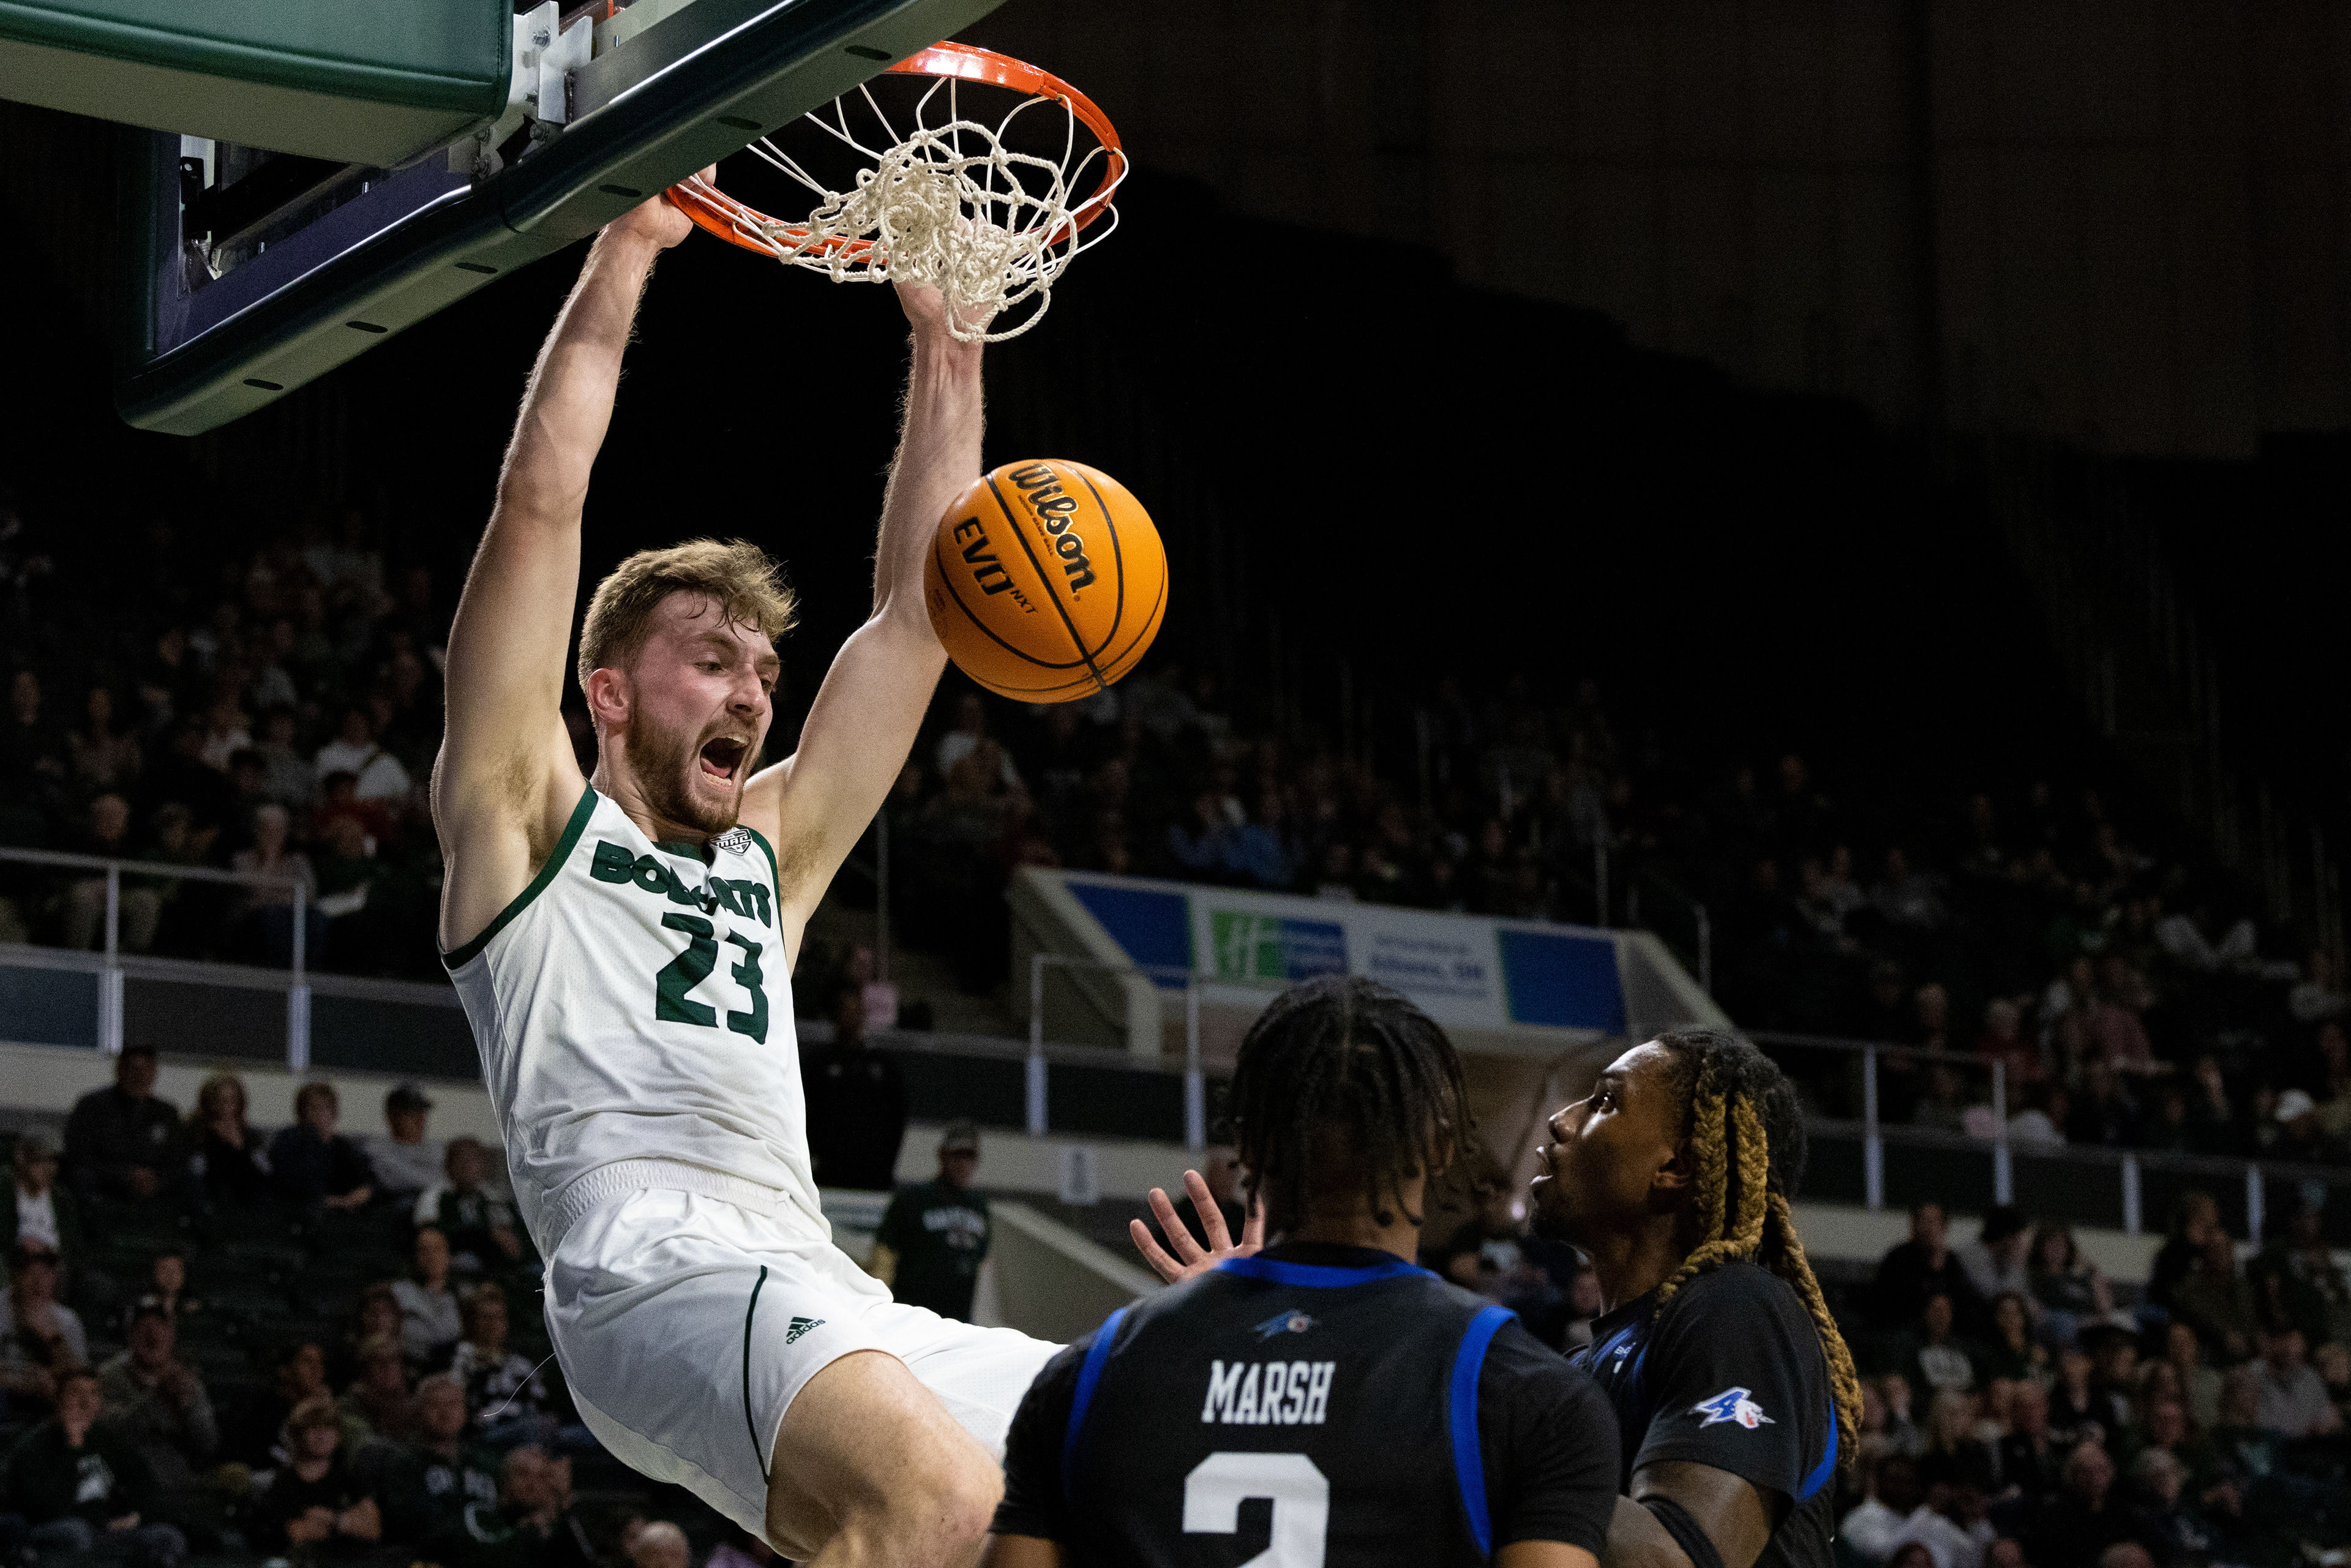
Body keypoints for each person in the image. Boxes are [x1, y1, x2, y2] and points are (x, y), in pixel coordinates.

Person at [426, 189, 1151, 1566]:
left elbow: (917, 617)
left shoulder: (771, 855)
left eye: (764, 671)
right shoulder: (526, 823)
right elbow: (540, 500)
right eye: (713, 657)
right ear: (608, 688)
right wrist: (628, 247)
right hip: (647, 1265)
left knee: (1117, 1453)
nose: (755, 691)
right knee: (935, 1498)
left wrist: (950, 348)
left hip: (806, 1269)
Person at [991, 975, 1620, 1566]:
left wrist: (1211, 1321)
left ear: (1251, 1146)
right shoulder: (1532, 1393)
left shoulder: (1084, 1377)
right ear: (1442, 1144)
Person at [1532, 1030, 1862, 1567]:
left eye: (1606, 1101)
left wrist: (1498, 1436)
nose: (1562, 1119)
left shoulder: (1736, 1305)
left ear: (1675, 1168)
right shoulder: (1582, 1367)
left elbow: (1677, 1556)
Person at [2, 1367, 186, 1568]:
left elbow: (144, 1483)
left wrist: (136, 1516)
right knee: (77, 1533)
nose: (86, 1402)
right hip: (49, 1528)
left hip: (107, 1530)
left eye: (94, 1393)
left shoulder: (104, 1439)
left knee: (167, 1537)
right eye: (76, 1392)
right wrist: (74, 1447)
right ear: (58, 1399)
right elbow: (48, 1509)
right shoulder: (33, 1447)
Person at [96, 1303, 219, 1532]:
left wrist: (187, 1407)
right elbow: (111, 1435)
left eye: (160, 1327)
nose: (152, 1334)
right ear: (131, 1336)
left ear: (171, 1335)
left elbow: (208, 1444)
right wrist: (157, 1399)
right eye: (144, 1327)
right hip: (127, 1487)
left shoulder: (185, 1381)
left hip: (181, 1485)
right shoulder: (108, 1377)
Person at [871, 1123, 991, 1322]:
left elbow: (981, 1263)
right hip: (911, 1318)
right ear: (942, 1155)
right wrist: (879, 1311)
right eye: (957, 1155)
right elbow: (884, 1256)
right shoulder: (913, 1198)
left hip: (958, 1323)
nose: (964, 1164)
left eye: (970, 1157)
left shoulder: (978, 1204)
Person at [800, 986, 910, 1190]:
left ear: (863, 1015)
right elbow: (804, 1112)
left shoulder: (883, 1065)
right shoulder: (818, 1063)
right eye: (844, 1010)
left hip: (874, 1177)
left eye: (855, 1010)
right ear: (835, 1015)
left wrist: (887, 1164)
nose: (849, 1016)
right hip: (827, 1175)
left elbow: (897, 1117)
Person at [378, 1375, 502, 1555]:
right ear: (419, 1412)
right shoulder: (402, 1466)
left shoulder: (487, 1462)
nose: (445, 1413)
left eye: (453, 1404)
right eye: (435, 1405)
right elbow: (416, 1528)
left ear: (465, 1411)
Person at [252, 1395, 383, 1556]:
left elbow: (372, 1529)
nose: (321, 1435)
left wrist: (333, 1519)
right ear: (298, 1436)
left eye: (327, 1428)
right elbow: (298, 1534)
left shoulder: (350, 1475)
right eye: (312, 1428)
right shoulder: (284, 1481)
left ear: (338, 1436)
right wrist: (350, 1522)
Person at [64, 1042, 184, 1206]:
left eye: (146, 1070)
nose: (140, 1077)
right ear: (120, 1070)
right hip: (105, 1192)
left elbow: (176, 1161)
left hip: (155, 1195)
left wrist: (156, 1180)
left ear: (154, 1073)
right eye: (134, 1069)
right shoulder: (93, 1107)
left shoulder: (166, 1113)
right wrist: (125, 1175)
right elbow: (80, 1157)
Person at [413, 1136, 525, 1275]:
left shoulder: (491, 1196)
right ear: (448, 1165)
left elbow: (506, 1227)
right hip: (450, 1267)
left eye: (473, 1160)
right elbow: (429, 1233)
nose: (466, 1166)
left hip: (491, 1268)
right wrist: (487, 1235)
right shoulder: (434, 1196)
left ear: (484, 1166)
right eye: (460, 1160)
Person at [0, 1239, 87, 1410]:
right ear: (15, 1276)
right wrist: (23, 1385)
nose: (38, 1282)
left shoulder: (67, 1320)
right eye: (29, 1272)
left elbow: (82, 1382)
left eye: (46, 1273)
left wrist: (54, 1340)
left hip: (49, 1409)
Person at [5, 1130, 89, 1302]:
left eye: (53, 1161)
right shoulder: (5, 1191)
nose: (50, 1169)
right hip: (15, 1268)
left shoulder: (62, 1200)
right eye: (41, 1160)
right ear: (22, 1160)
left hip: (55, 1272)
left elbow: (76, 1249)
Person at [1874, 1201, 1983, 1330]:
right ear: (1914, 1225)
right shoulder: (1898, 1259)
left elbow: (1964, 1302)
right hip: (1905, 1330)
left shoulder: (1952, 1261)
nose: (1929, 1228)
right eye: (1924, 1221)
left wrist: (1938, 1268)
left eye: (1934, 1222)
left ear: (1944, 1226)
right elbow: (1895, 1304)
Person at [269, 1081, 376, 1212]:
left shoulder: (343, 1146)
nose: (320, 1114)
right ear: (302, 1112)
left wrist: (360, 1195)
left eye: (325, 1108)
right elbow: (292, 1182)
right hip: (299, 1211)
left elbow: (365, 1181)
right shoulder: (288, 1140)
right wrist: (324, 1200)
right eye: (313, 1108)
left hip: (341, 1214)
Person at [363, 1082, 447, 1201]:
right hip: (402, 1209)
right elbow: (392, 1183)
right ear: (392, 1116)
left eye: (422, 1112)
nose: (420, 1119)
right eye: (411, 1113)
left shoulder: (439, 1149)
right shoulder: (377, 1150)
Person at [393, 1226, 463, 1364]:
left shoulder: (464, 1297)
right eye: (424, 1250)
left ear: (448, 1256)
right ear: (415, 1256)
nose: (432, 1256)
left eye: (437, 1249)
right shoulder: (399, 1293)